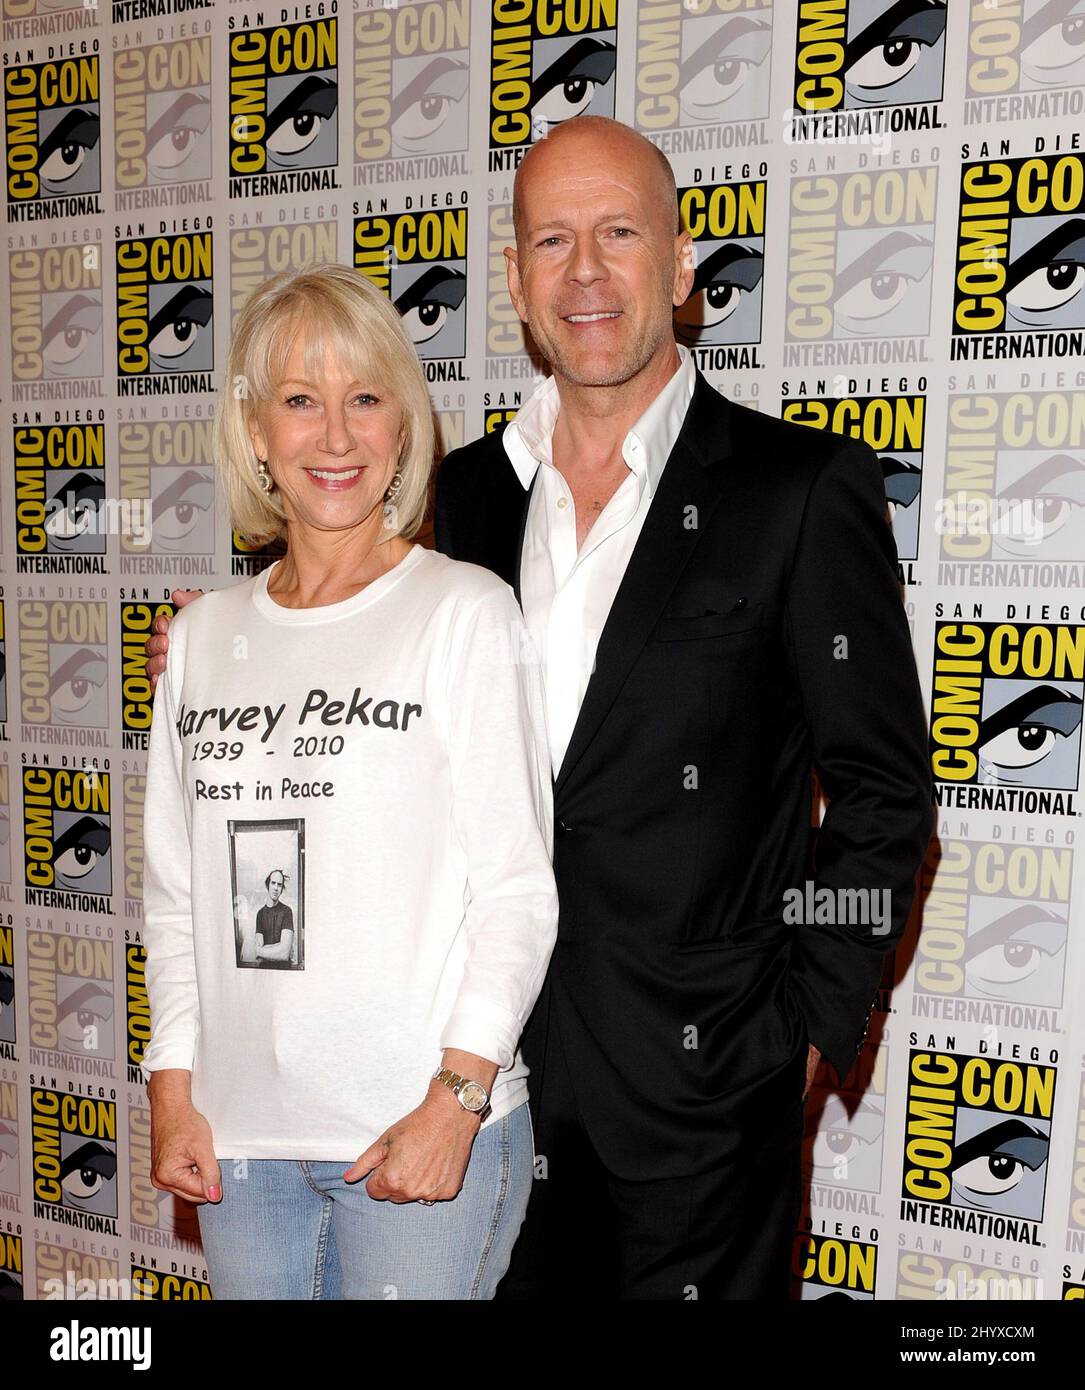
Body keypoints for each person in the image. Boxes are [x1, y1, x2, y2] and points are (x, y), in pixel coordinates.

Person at [146, 117, 934, 1300]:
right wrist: (215, 646)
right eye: (550, 240)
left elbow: (880, 789)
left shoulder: (797, 490)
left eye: (617, 233)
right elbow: (348, 654)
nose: (584, 270)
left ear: (678, 267)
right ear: (513, 283)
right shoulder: (455, 501)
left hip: (700, 1089)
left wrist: (814, 1020)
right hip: (473, 1097)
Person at [140, 262, 558, 1300]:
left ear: (403, 425)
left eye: (364, 397)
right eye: (299, 400)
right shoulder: (200, 640)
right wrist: (173, 1087)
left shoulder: (464, 611)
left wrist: (455, 1099)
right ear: (254, 433)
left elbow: (516, 887)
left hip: (412, 1136)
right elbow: (176, 897)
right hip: (240, 1144)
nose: (335, 435)